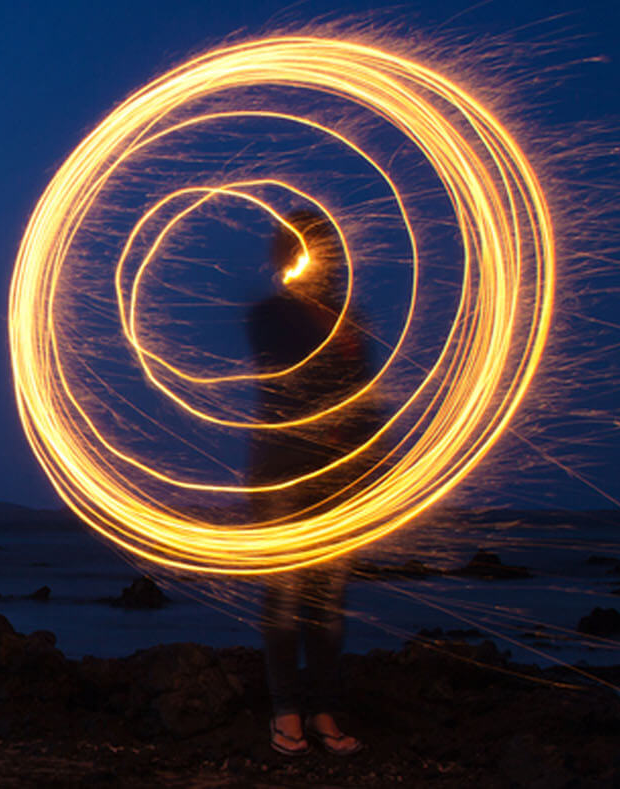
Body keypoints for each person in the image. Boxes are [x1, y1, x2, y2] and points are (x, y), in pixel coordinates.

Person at [247, 211, 375, 758]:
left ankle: (323, 707)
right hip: (283, 472)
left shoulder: (351, 320)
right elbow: (288, 376)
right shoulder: (272, 315)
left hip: (339, 476)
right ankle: (285, 711)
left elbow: (364, 396)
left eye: (324, 247)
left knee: (326, 600)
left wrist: (372, 461)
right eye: (307, 247)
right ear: (288, 256)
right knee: (284, 596)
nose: (321, 257)